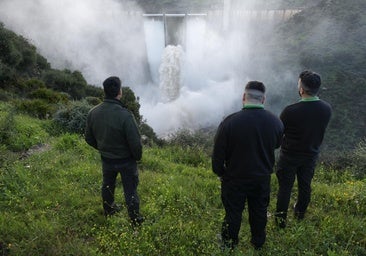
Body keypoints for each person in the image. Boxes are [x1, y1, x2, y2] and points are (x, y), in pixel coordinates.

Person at [212, 81, 284, 250]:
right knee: (259, 211)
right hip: (261, 178)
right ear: (263, 99)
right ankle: (258, 243)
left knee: (233, 212)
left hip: (234, 178)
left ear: (244, 97)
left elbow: (217, 156)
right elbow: (276, 145)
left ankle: (229, 244)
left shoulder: (229, 122)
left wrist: (221, 173)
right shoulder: (276, 123)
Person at [274, 70, 332, 228]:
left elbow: (279, 134)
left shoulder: (290, 111)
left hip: (289, 155)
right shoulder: (326, 109)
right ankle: (299, 214)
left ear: (301, 89)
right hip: (310, 154)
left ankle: (280, 221)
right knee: (305, 186)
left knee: (285, 188)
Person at [85, 76, 144, 226]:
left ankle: (109, 210)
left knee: (107, 185)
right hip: (126, 161)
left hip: (107, 159)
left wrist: (103, 148)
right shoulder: (125, 115)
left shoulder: (93, 112)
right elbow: (135, 143)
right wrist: (136, 157)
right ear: (119, 92)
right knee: (130, 190)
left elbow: (89, 138)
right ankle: (135, 219)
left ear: (104, 91)